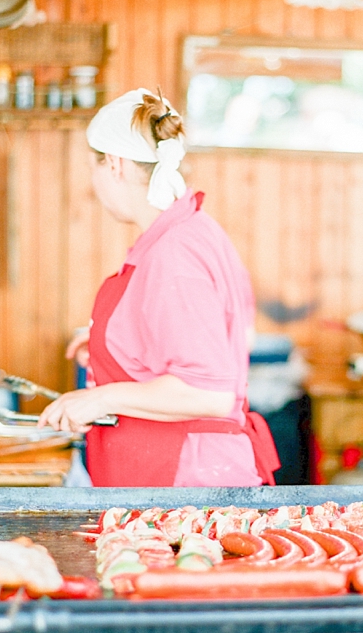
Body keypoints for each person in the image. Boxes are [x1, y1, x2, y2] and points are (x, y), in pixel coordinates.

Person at [38, 88, 280, 487]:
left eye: (92, 167)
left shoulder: (175, 254)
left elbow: (208, 392)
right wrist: (110, 350)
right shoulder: (190, 228)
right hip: (173, 474)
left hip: (184, 486)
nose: (94, 184)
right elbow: (220, 339)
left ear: (113, 164)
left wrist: (99, 397)